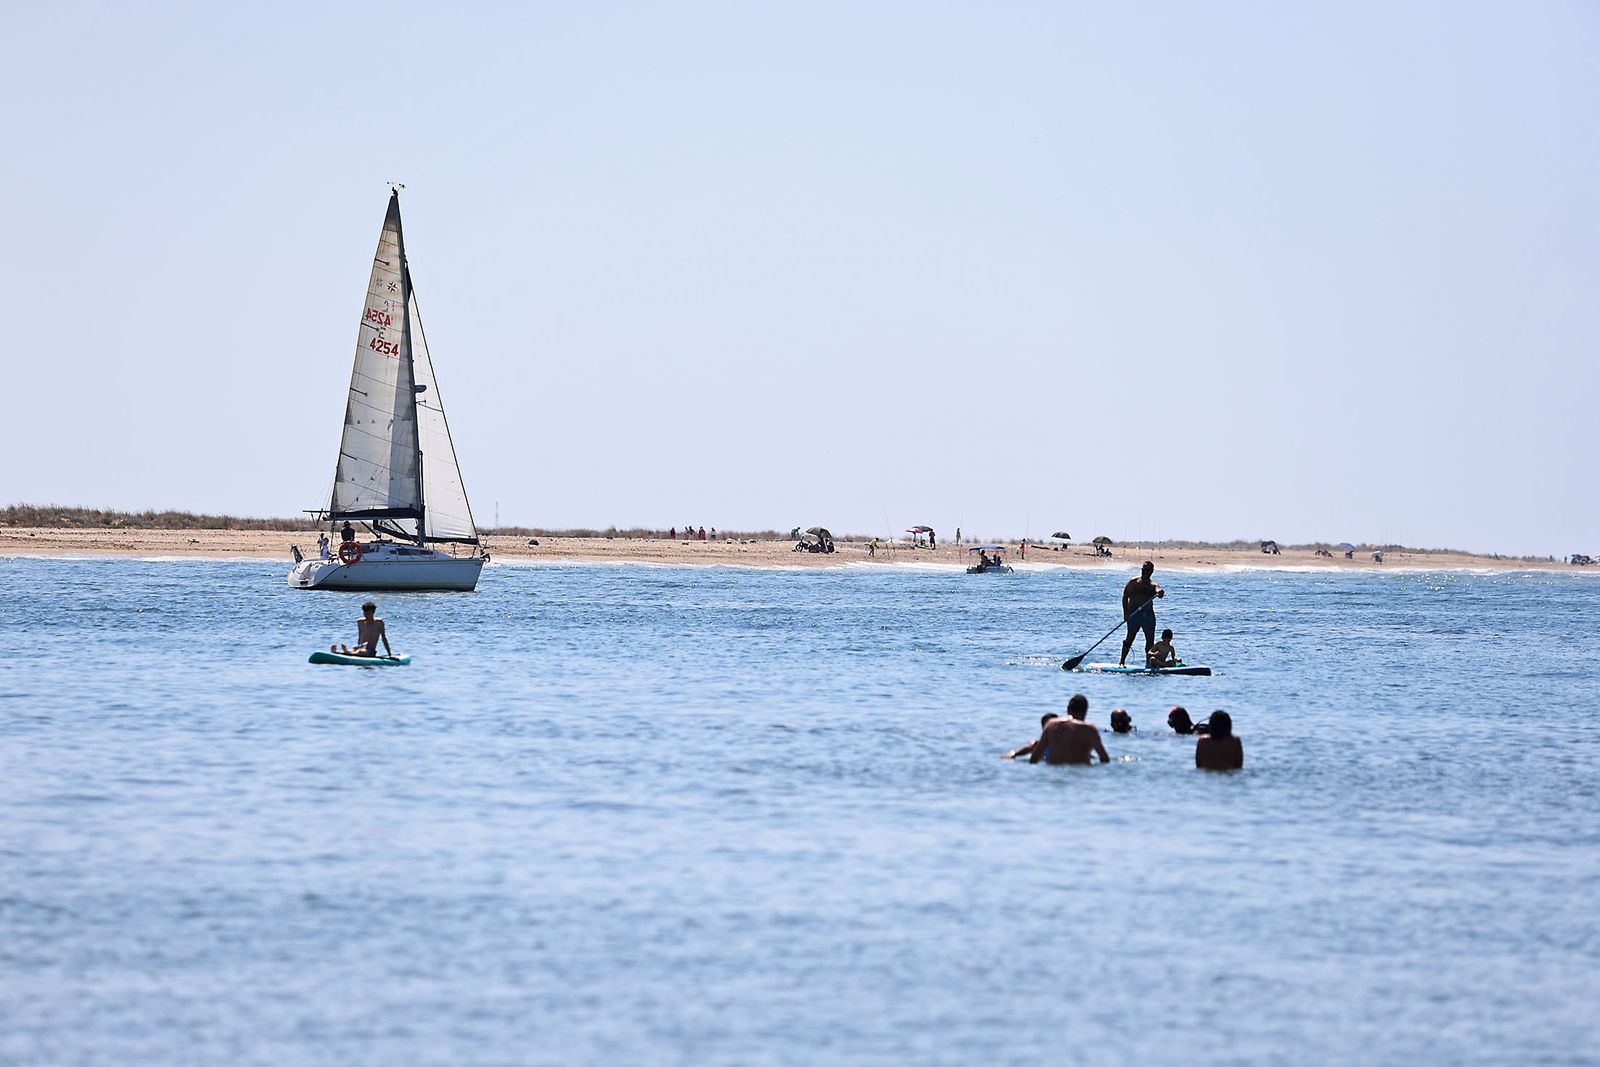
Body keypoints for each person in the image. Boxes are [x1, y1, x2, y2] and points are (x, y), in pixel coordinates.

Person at [1028, 694, 1110, 765]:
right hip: (1081, 775)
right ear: (1085, 711)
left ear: (1067, 709)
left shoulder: (1051, 725)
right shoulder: (1089, 729)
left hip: (1053, 774)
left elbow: (1034, 757)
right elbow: (1104, 759)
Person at [1118, 561, 1165, 667]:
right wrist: (1126, 614)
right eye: (1143, 570)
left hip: (1148, 616)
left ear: (1151, 572)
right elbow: (1125, 597)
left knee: (1150, 640)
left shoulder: (1153, 585)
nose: (1144, 572)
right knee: (1130, 638)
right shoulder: (1133, 582)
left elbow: (1158, 590)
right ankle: (1122, 662)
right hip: (1134, 614)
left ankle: (1149, 664)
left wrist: (1160, 592)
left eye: (1147, 570)